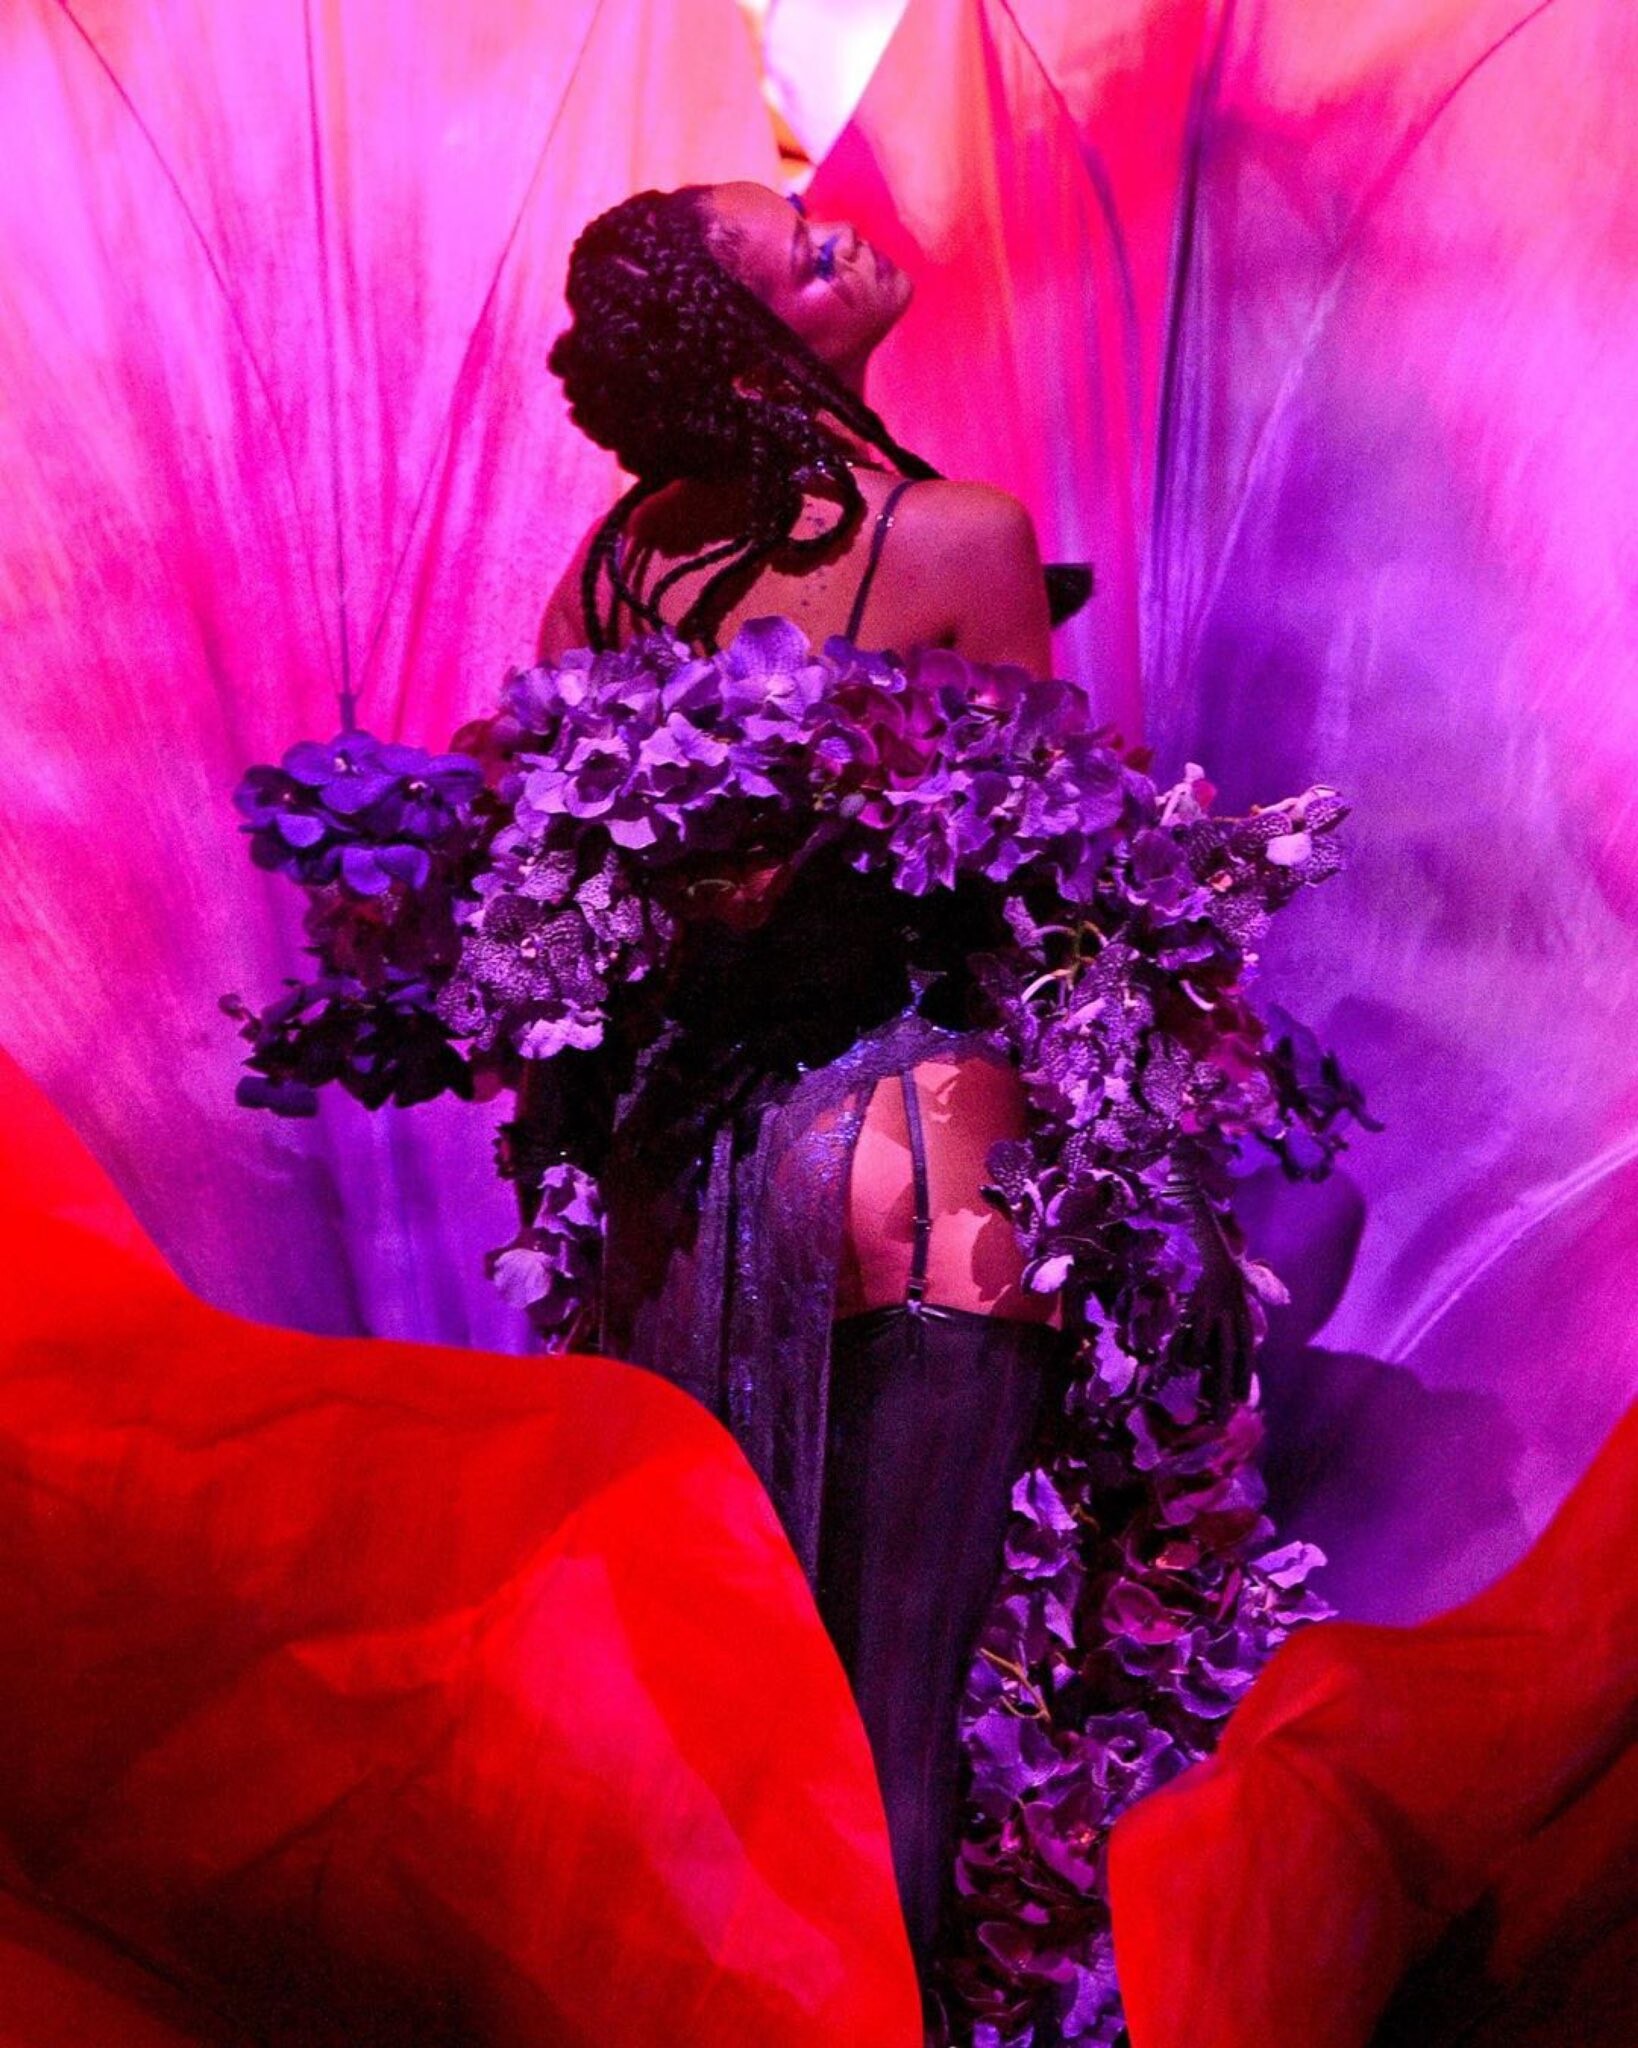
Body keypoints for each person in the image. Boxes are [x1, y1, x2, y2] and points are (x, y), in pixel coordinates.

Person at [513, 179, 1081, 1991]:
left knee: (719, 1738)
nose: (844, 241)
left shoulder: (611, 573)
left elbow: (569, 888)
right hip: (918, 1141)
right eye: (802, 256)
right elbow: (1046, 871)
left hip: (684, 1174)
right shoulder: (960, 534)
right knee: (886, 1745)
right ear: (755, 350)